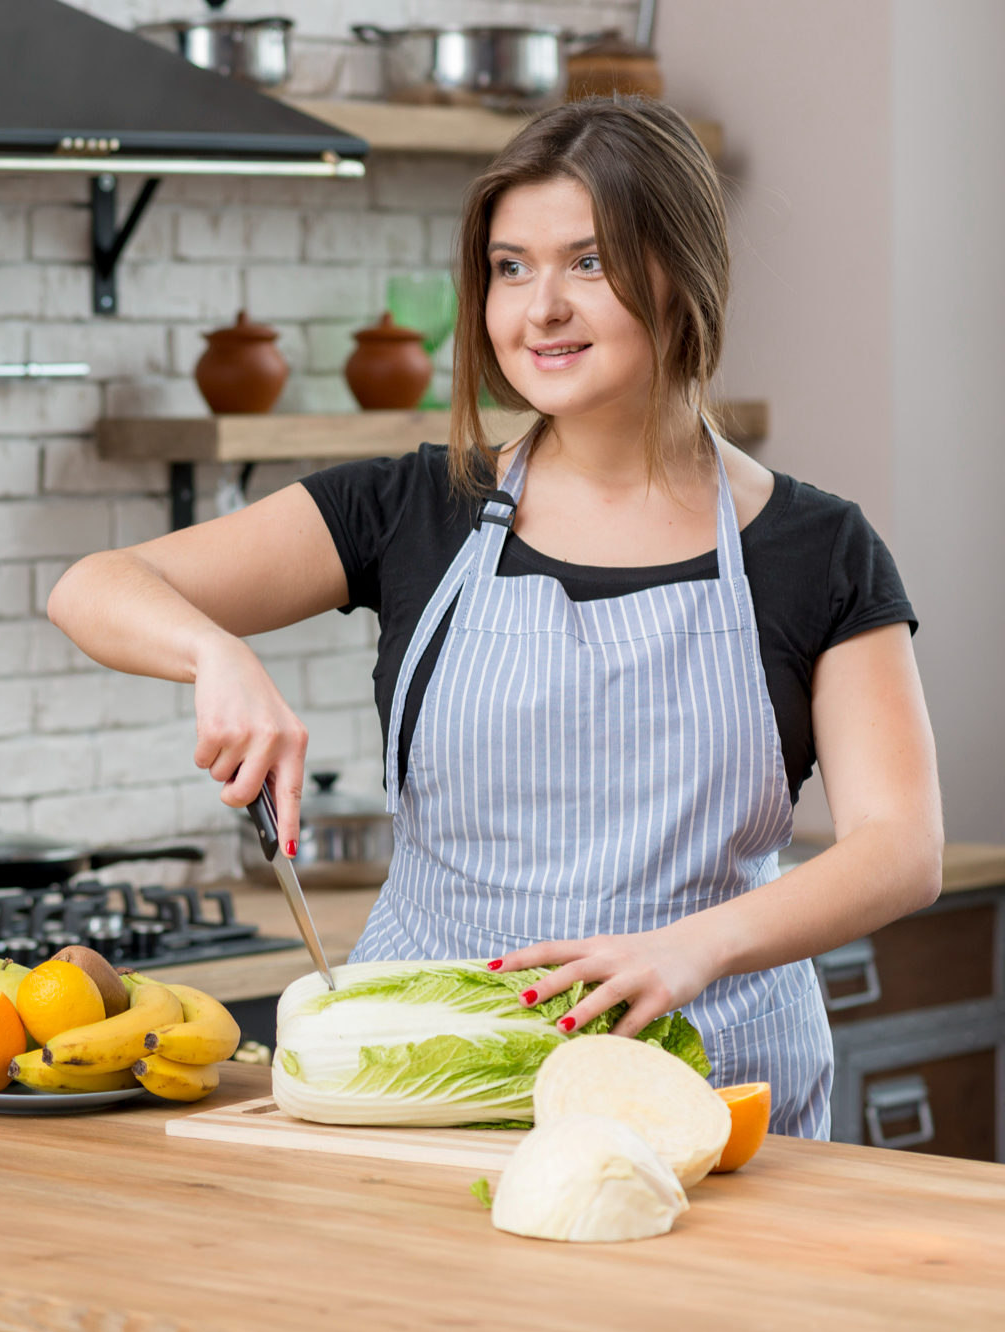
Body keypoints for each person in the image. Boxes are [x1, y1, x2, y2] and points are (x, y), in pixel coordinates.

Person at [46, 97, 942, 1137]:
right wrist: (212, 652)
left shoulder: (814, 549)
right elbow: (93, 586)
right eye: (509, 267)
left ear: (680, 273)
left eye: (588, 262)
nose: (538, 308)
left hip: (702, 1088)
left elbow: (899, 848)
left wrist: (689, 947)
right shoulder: (412, 508)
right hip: (422, 1089)